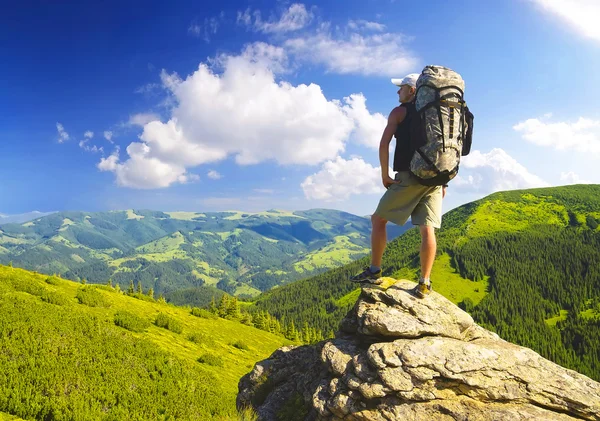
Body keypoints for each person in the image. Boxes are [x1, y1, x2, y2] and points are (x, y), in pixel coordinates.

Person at [350, 73, 447, 298]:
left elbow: (384, 143)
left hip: (410, 176)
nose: (398, 92)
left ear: (412, 90)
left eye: (401, 87)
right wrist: (444, 182)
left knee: (378, 219)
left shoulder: (400, 112)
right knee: (427, 229)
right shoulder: (437, 113)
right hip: (436, 179)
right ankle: (424, 283)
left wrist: (385, 174)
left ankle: (374, 271)